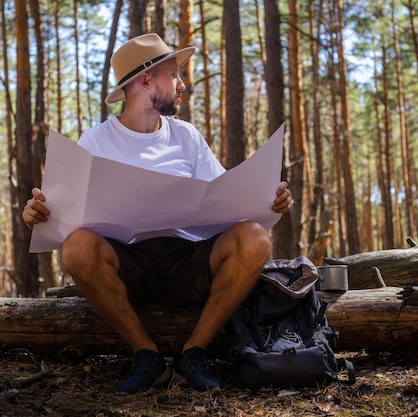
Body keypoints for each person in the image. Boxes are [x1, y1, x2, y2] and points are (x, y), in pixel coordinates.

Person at [22, 33, 293, 394]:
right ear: (146, 81)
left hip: (188, 259)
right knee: (77, 246)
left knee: (255, 238)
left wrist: (267, 203)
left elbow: (228, 199)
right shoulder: (96, 142)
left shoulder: (187, 137)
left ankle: (193, 353)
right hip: (126, 263)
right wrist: (37, 213)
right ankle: (146, 354)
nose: (183, 85)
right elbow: (60, 214)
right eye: (174, 75)